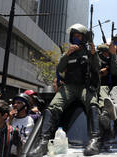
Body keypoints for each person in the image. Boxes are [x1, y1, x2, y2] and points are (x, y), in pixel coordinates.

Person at [29, 23, 101, 156]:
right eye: (74, 36)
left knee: (93, 104)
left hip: (85, 86)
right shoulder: (69, 52)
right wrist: (67, 54)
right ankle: (43, 142)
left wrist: (93, 53)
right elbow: (60, 69)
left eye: (78, 36)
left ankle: (95, 140)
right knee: (52, 107)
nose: (75, 38)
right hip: (69, 87)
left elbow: (97, 67)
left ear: (84, 37)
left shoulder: (90, 51)